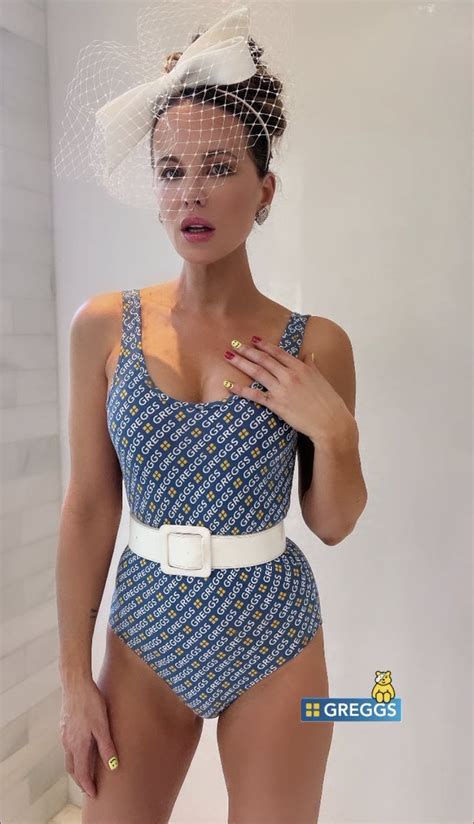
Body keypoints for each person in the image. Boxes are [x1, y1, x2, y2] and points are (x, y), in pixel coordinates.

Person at [55, 6, 368, 823]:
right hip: (144, 634)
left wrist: (334, 430)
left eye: (219, 167)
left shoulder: (316, 345)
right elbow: (89, 507)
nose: (190, 192)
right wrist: (73, 681)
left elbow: (332, 524)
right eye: (171, 171)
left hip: (275, 637)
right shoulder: (103, 328)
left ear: (265, 190)